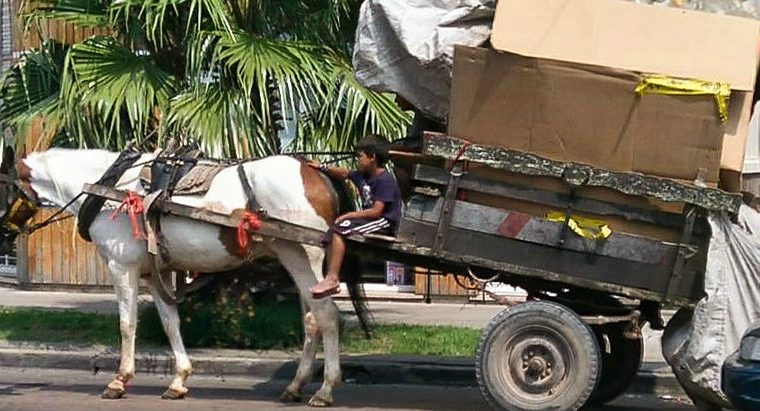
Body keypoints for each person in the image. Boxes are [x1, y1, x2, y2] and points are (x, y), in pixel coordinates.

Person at [308, 134, 402, 298]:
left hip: (383, 223)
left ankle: (332, 278)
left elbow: (377, 211)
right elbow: (344, 173)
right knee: (333, 231)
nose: (358, 160)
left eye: (360, 156)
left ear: (372, 157)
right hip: (371, 219)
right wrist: (321, 167)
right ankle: (331, 276)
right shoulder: (363, 175)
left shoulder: (385, 180)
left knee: (340, 229)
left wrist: (347, 216)